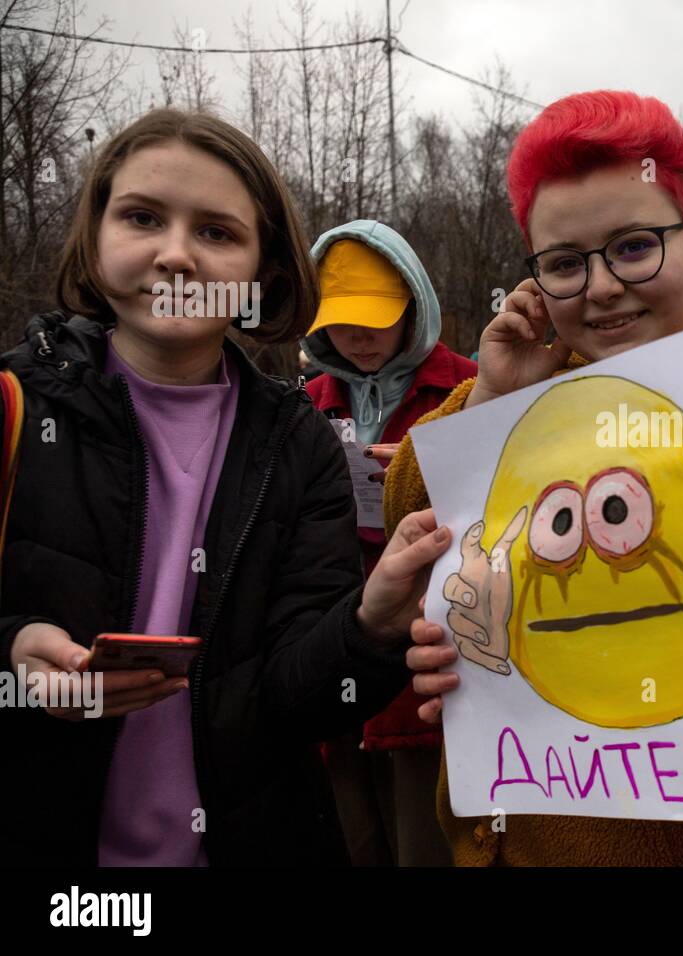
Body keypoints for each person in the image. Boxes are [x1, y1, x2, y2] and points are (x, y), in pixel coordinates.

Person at [385, 90, 683, 866]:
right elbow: (413, 517)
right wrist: (492, 400)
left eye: (632, 247)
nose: (599, 287)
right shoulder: (530, 390)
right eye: (564, 263)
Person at [0, 109, 451, 866]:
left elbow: (293, 699)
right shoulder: (13, 406)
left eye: (216, 232)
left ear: (263, 273)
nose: (175, 255)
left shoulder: (298, 443)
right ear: (94, 233)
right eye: (142, 216)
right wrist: (10, 650)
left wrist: (369, 628)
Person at [301, 221, 476, 866]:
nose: (360, 337)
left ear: (415, 306)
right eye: (342, 320)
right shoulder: (304, 406)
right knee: (352, 840)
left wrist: (427, 467)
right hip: (333, 652)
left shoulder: (469, 387)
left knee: (426, 843)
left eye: (378, 317)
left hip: (433, 668)